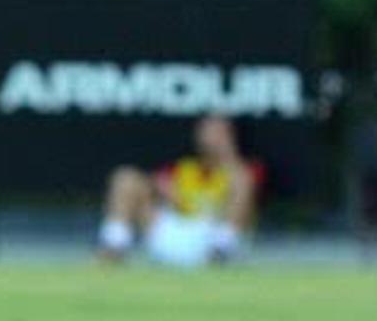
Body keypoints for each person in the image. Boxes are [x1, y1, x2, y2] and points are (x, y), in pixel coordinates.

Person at [98, 114, 259, 267]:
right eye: (206, 130)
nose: (211, 137)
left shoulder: (242, 171)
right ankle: (113, 249)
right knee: (125, 177)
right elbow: (156, 187)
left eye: (217, 132)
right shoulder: (184, 167)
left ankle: (219, 255)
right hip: (173, 231)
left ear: (230, 136)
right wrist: (169, 195)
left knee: (241, 183)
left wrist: (226, 151)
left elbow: (244, 204)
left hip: (210, 241)